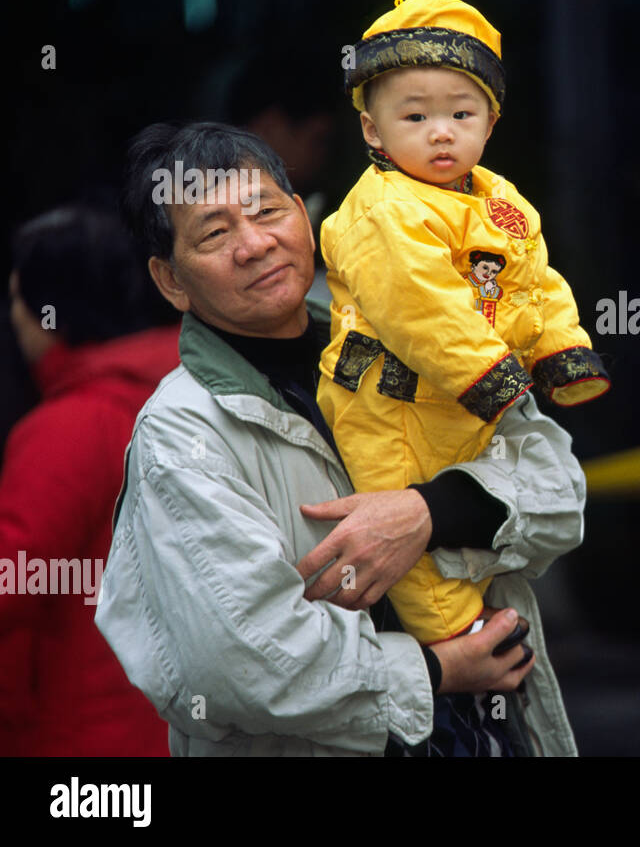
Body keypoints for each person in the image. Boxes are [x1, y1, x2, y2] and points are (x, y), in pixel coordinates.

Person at [96, 121, 584, 756]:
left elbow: (560, 493)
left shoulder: (415, 338)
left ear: (303, 216)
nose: (254, 244)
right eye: (215, 233)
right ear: (171, 281)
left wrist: (428, 514)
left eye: (266, 211)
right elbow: (242, 663)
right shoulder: (183, 431)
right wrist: (435, 672)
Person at [317, 0, 610, 646]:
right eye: (414, 115)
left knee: (484, 514)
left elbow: (534, 282)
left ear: (490, 122)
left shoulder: (502, 203)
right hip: (388, 402)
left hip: (473, 402)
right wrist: (488, 371)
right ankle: (457, 636)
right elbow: (416, 302)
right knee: (399, 522)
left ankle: (476, 639)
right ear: (373, 129)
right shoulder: (382, 208)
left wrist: (560, 349)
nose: (441, 131)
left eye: (460, 112)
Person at [0, 206, 178, 756]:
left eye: (16, 299)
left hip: (84, 739)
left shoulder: (73, 426)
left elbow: (14, 579)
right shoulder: (187, 397)